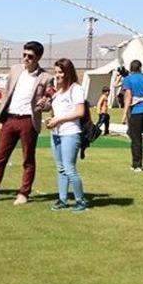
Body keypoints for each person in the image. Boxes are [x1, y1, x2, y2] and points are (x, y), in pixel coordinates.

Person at [0, 41, 52, 205]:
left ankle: (24, 193)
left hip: (29, 121)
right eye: (24, 55)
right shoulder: (15, 70)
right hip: (10, 119)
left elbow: (49, 102)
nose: (26, 59)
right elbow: (6, 94)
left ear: (38, 57)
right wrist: (1, 119)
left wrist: (45, 104)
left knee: (28, 159)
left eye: (30, 56)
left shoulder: (46, 78)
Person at [45, 58, 88, 212]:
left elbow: (79, 112)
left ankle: (80, 201)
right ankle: (62, 199)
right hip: (56, 134)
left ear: (68, 72)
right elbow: (57, 111)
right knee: (60, 168)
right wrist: (51, 120)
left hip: (70, 133)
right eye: (56, 72)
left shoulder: (75, 89)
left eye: (60, 72)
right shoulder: (58, 92)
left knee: (70, 168)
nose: (57, 75)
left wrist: (59, 119)